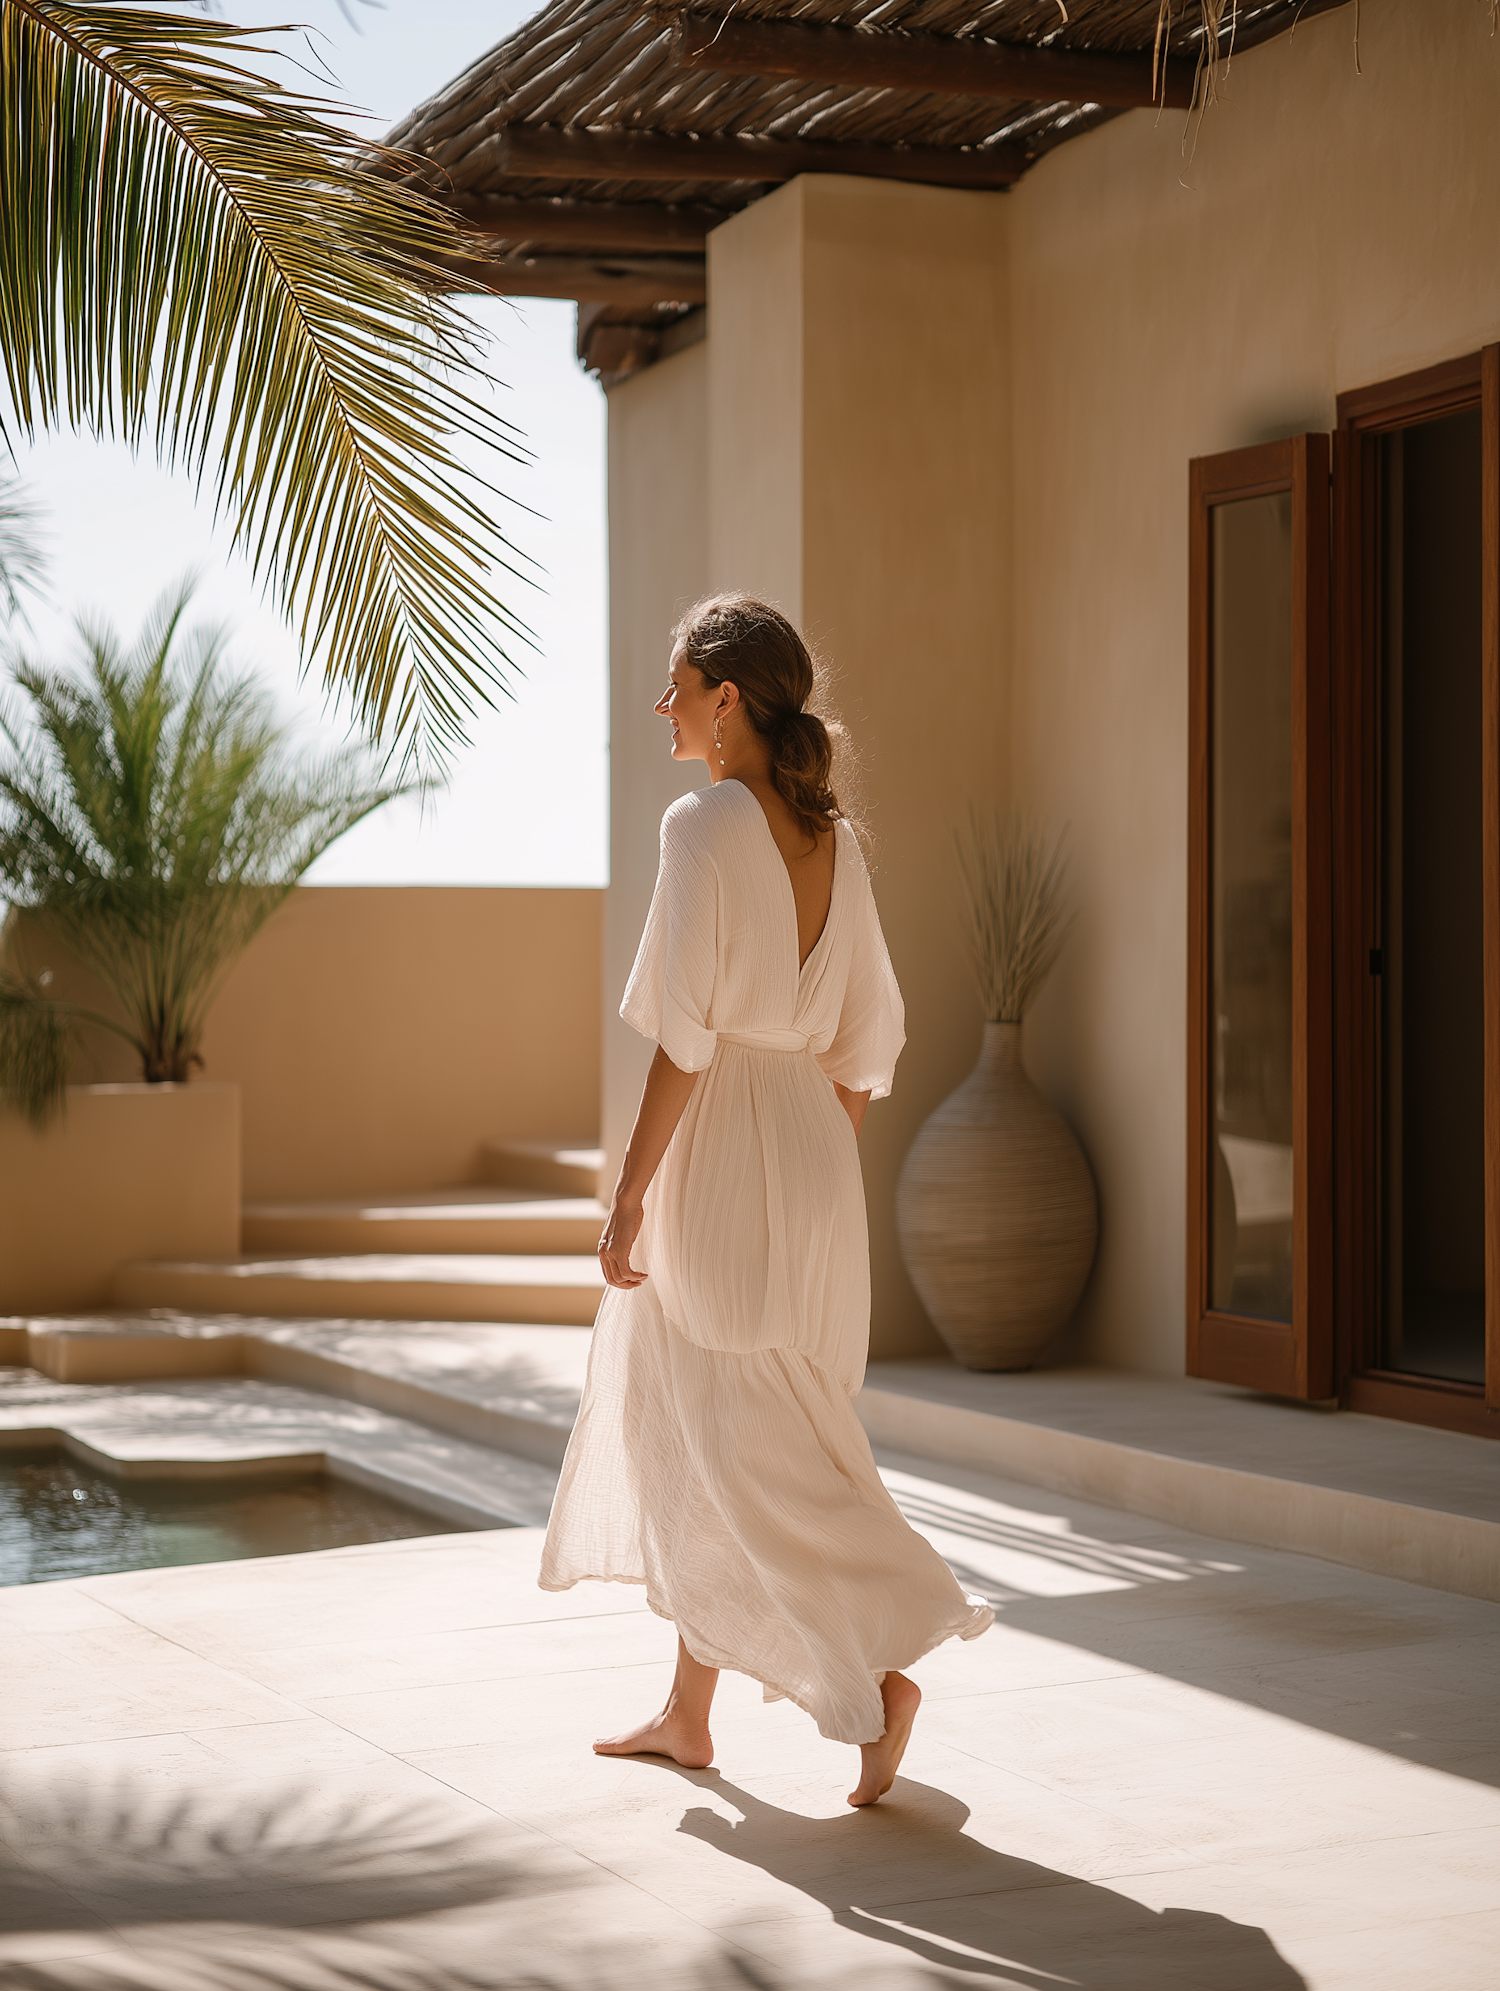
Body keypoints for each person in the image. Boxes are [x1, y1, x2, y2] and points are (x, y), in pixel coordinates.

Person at [540, 594, 992, 1807]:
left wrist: (629, 1197)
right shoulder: (836, 843)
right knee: (730, 1422)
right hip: (810, 1148)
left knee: (740, 1443)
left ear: (725, 698)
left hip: (731, 1138)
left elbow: (683, 1041)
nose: (662, 705)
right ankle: (689, 1713)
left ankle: (888, 1664)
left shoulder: (701, 830)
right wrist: (808, 1173)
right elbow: (867, 1043)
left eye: (676, 683)